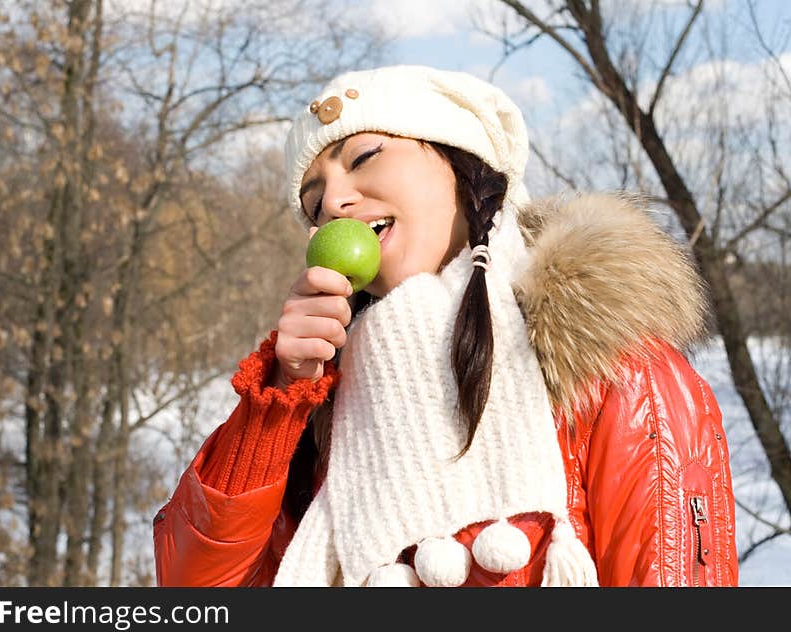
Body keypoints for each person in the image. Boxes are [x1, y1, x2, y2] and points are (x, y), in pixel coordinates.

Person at [152, 65, 739, 587]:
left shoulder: (615, 367)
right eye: (312, 203)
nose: (332, 202)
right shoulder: (326, 401)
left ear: (465, 165)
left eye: (363, 157)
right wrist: (277, 403)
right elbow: (194, 589)